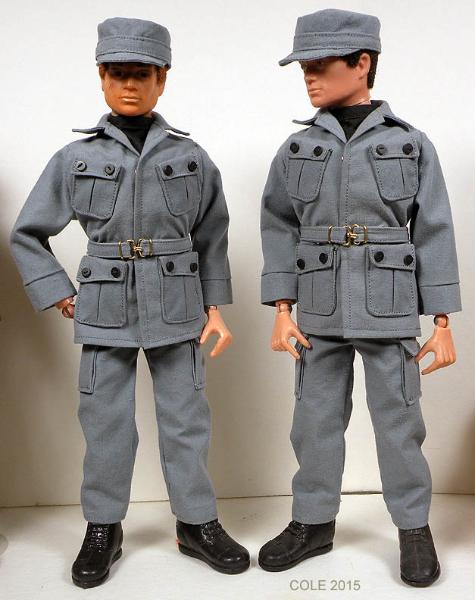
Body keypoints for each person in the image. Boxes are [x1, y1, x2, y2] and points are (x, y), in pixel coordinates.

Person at [10, 16, 249, 588]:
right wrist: (58, 292)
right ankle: (103, 527)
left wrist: (215, 307)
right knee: (105, 425)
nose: (129, 85)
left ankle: (197, 523)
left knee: (186, 421)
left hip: (178, 305)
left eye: (142, 74)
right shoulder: (75, 158)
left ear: (162, 79)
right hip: (105, 307)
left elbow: (213, 234)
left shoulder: (191, 157)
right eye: (117, 73)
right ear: (100, 77)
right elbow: (27, 233)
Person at [258, 8, 461, 587]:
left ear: (362, 63)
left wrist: (442, 321)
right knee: (314, 421)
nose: (309, 76)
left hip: (389, 303)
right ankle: (312, 521)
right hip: (319, 305)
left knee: (399, 422)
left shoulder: (410, 144)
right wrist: (282, 308)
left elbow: (434, 229)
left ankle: (413, 527)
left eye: (320, 64)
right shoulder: (298, 147)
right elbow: (278, 224)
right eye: (304, 66)